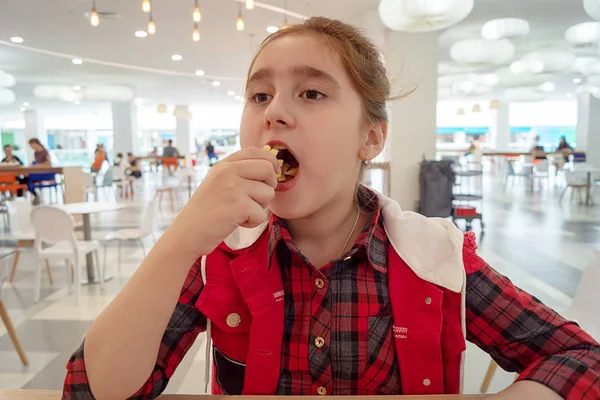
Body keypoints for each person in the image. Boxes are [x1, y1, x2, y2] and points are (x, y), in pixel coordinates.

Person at [62, 17, 600, 400]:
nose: (275, 113)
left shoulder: (434, 259)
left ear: (371, 137)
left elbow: (581, 360)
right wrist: (180, 239)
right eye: (259, 96)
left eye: (312, 94)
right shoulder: (217, 257)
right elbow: (93, 392)